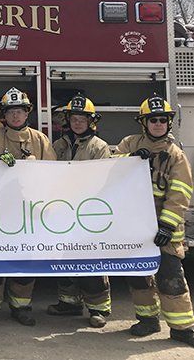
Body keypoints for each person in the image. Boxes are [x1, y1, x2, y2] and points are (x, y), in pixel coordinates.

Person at [114, 95, 194, 349]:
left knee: (171, 277)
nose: (158, 124)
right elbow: (109, 167)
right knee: (138, 276)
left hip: (162, 227)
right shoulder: (129, 143)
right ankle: (147, 320)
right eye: (152, 120)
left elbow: (180, 193)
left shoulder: (175, 155)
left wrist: (167, 226)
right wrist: (133, 157)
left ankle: (183, 329)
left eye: (162, 120)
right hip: (134, 226)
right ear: (143, 123)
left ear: (168, 123)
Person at [0, 87, 55, 327]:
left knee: (25, 261)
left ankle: (21, 307)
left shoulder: (40, 139)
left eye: (19, 111)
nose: (16, 116)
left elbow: (52, 173)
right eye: (11, 112)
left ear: (27, 113)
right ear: (4, 115)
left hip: (29, 212)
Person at [48, 95, 112, 328]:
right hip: (63, 212)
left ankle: (98, 309)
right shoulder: (59, 146)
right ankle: (69, 303)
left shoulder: (99, 147)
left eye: (81, 119)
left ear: (90, 122)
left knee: (91, 260)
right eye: (73, 119)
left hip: (87, 213)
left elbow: (102, 180)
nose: (77, 123)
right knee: (65, 258)